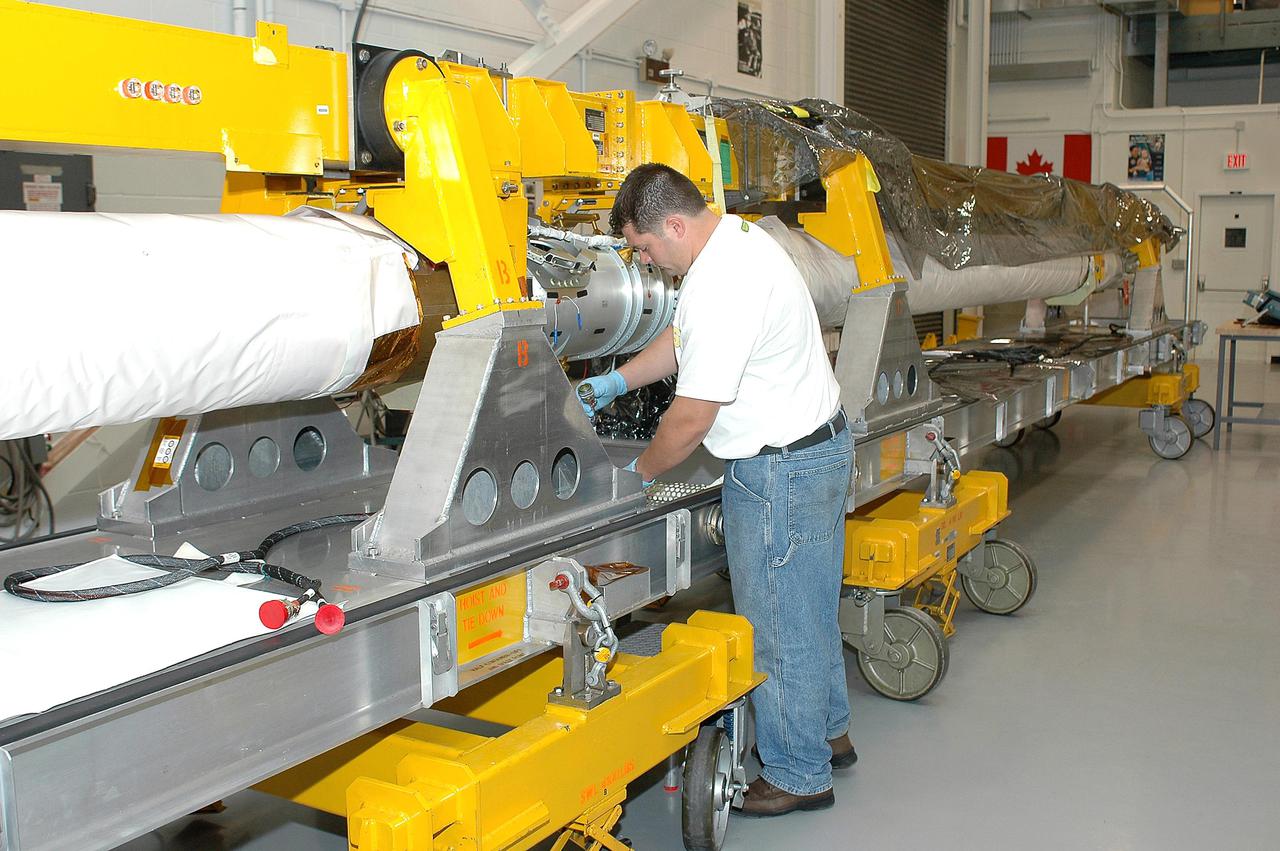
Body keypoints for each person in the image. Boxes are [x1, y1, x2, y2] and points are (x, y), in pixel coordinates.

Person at [579, 163, 855, 817]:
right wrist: (618, 379)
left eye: (646, 248)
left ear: (673, 225)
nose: (648, 261)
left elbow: (692, 418)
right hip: (817, 447)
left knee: (777, 625)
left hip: (779, 471)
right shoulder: (740, 243)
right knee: (811, 607)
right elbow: (685, 338)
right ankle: (828, 731)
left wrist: (640, 474)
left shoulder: (721, 283)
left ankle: (797, 772)